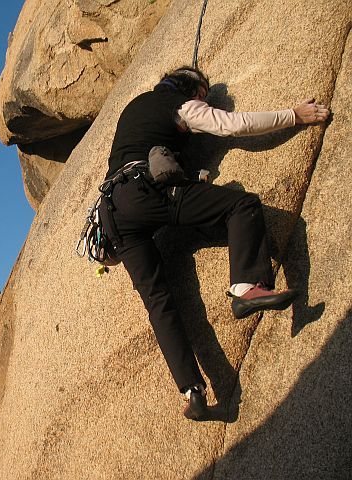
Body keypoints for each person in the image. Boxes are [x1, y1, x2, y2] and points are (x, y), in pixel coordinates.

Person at [100, 66, 329, 420]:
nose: (203, 102)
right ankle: (246, 287)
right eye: (203, 95)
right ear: (189, 90)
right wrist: (293, 115)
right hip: (146, 192)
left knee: (158, 302)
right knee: (241, 204)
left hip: (113, 215)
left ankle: (192, 390)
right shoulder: (180, 104)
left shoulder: (134, 108)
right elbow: (231, 125)